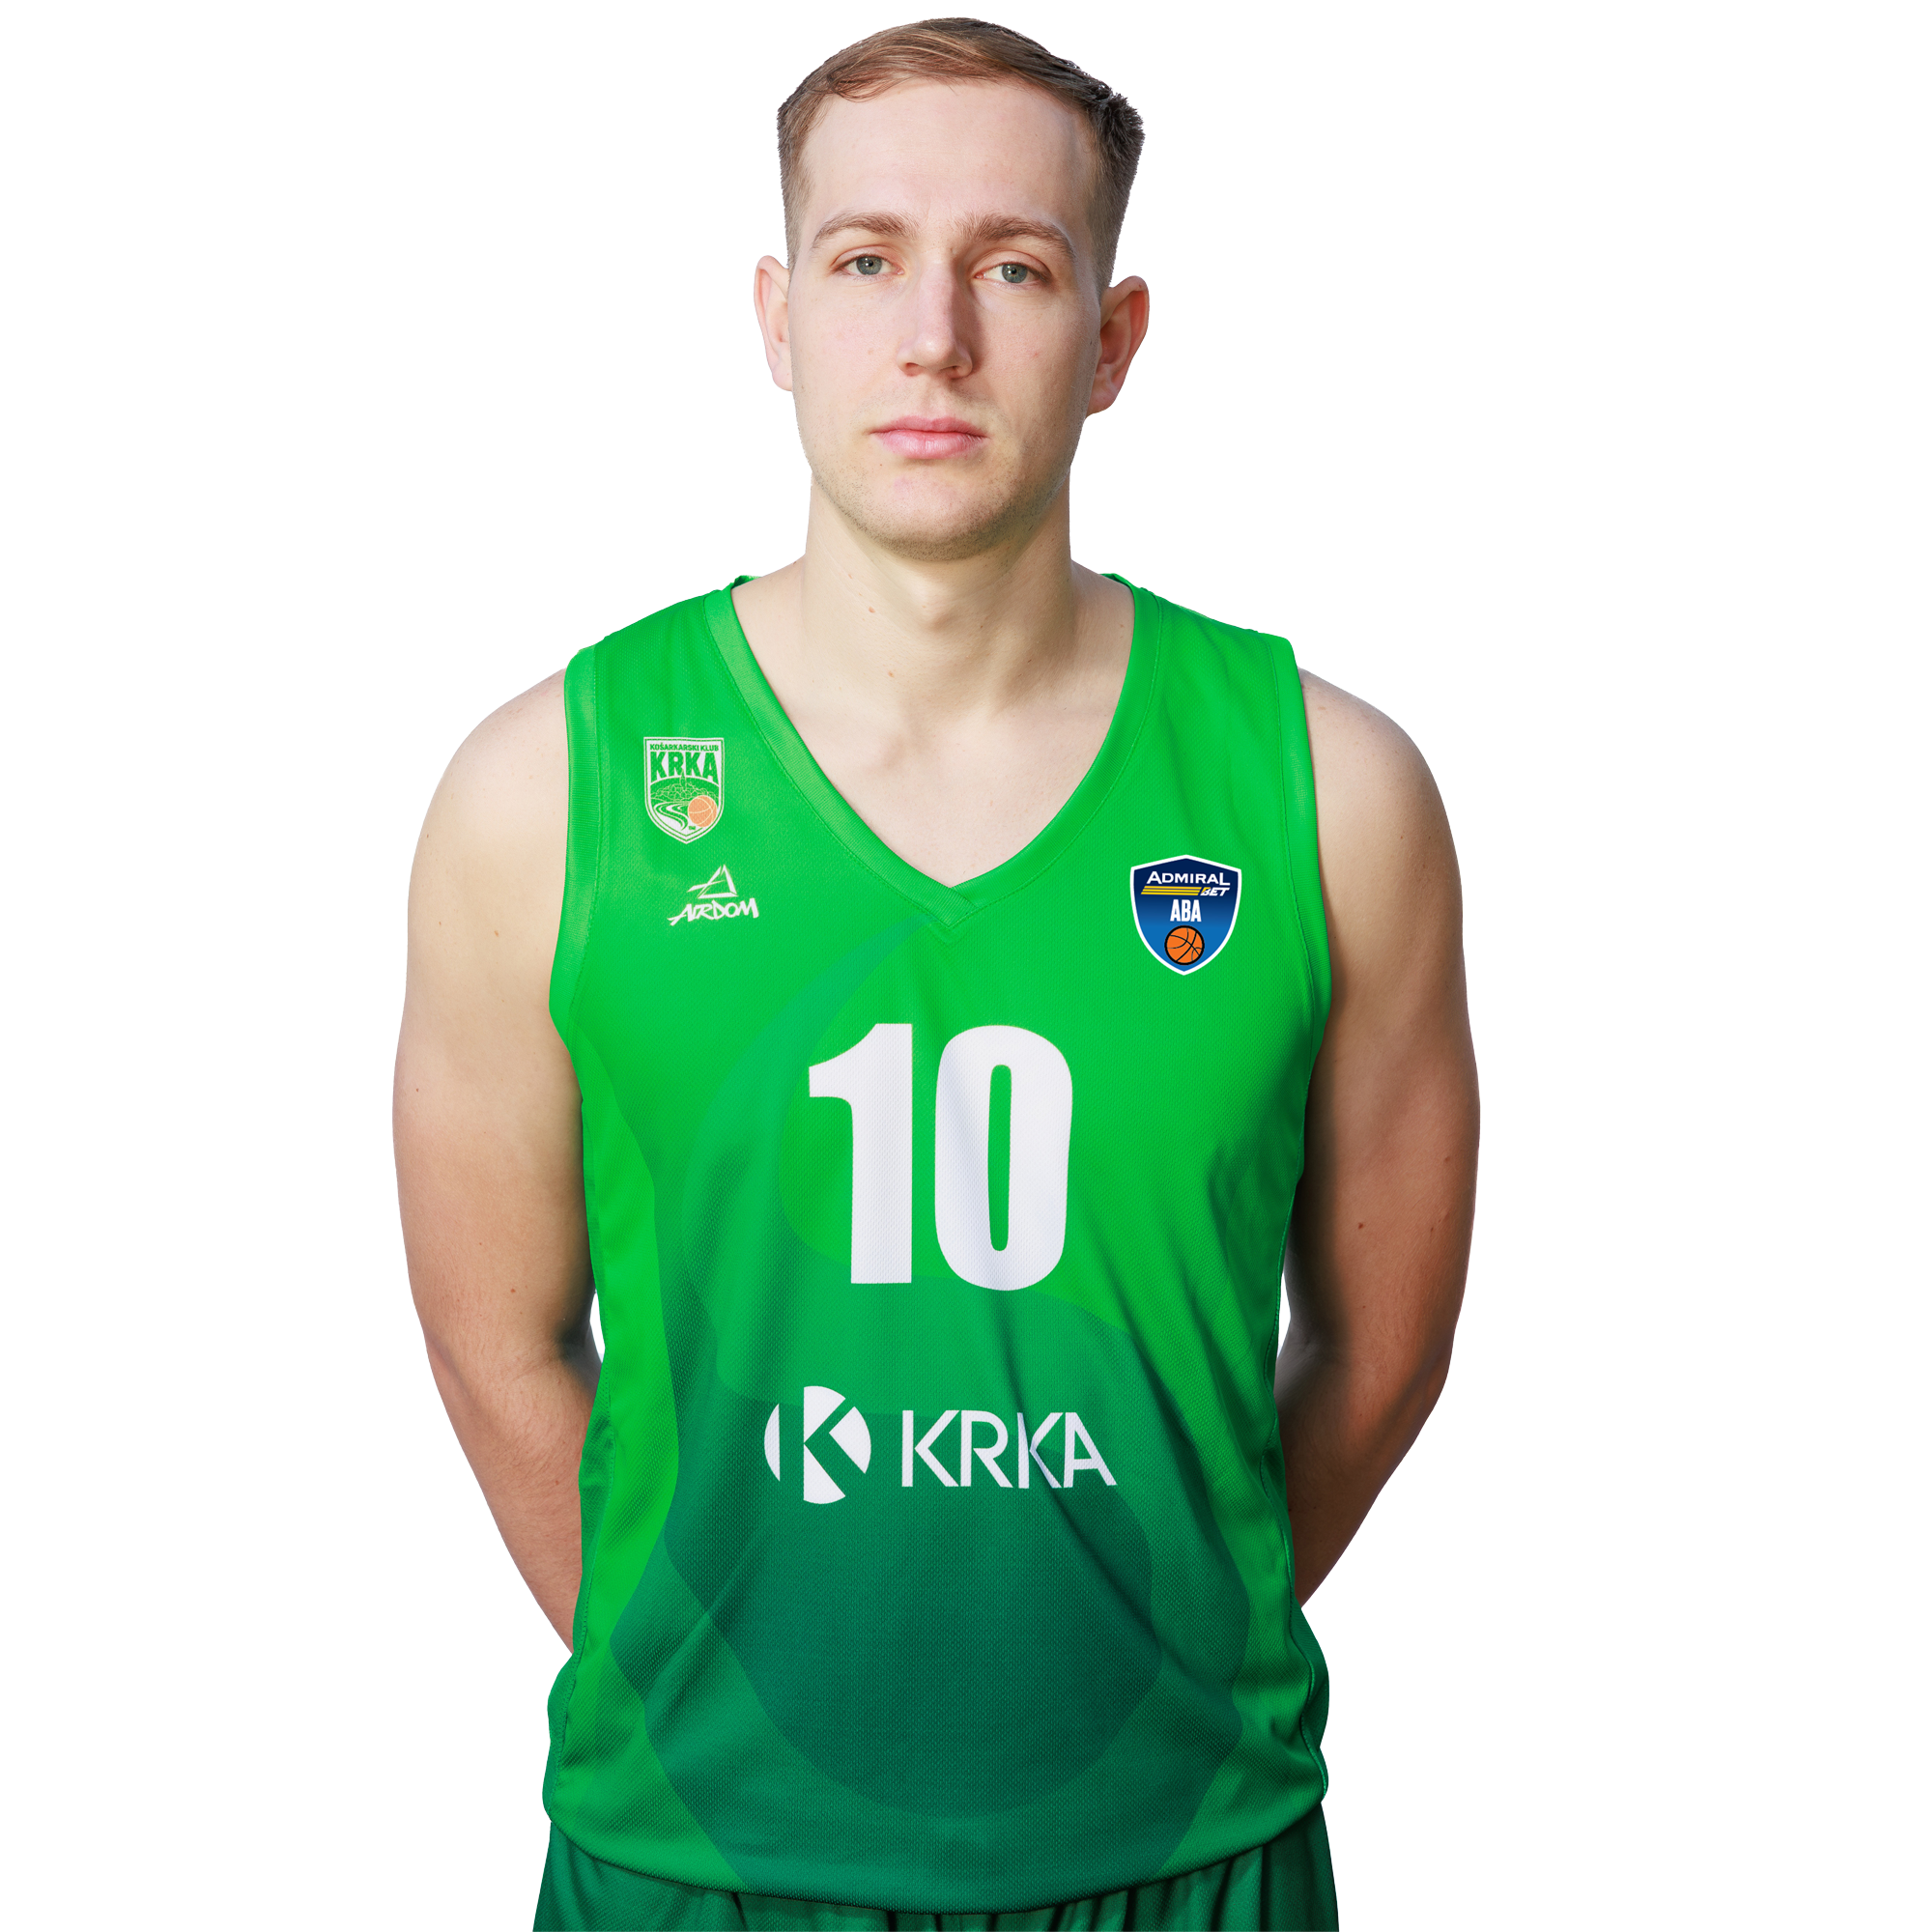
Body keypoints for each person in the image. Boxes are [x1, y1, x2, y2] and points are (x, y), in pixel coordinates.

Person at [393, 18, 1479, 1930]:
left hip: (1182, 1857)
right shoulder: (547, 793)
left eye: (1015, 268)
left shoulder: (1330, 793)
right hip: (698, 1861)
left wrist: (1150, 1638)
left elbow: (1378, 1350)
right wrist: (731, 1676)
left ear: (1114, 339)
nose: (933, 338)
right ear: (776, 316)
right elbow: (498, 1336)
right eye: (866, 258)